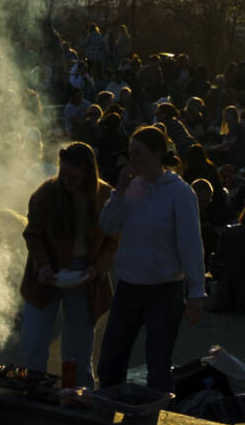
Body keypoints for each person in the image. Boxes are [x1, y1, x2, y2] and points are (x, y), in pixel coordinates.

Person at [97, 126, 205, 392]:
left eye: (139, 154)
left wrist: (196, 291)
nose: (133, 160)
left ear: (158, 155)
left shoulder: (180, 193)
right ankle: (108, 410)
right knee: (111, 360)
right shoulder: (131, 187)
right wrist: (119, 191)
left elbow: (191, 244)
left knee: (158, 365)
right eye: (130, 153)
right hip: (129, 284)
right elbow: (108, 225)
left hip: (164, 288)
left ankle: (156, 418)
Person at [18, 142, 118, 388]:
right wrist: (42, 266)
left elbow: (112, 240)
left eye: (74, 176)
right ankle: (33, 388)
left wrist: (97, 269)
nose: (67, 180)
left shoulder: (105, 196)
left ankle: (77, 393)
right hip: (46, 272)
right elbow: (33, 234)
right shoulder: (46, 194)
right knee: (34, 341)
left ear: (88, 173)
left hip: (86, 273)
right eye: (63, 174)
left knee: (78, 349)